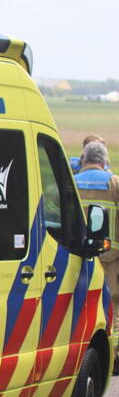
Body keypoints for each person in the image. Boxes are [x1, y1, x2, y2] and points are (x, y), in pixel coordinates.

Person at [75, 141, 119, 329]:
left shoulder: (70, 181)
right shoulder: (114, 183)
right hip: (111, 258)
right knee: (113, 307)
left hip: (76, 257)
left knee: (81, 306)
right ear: (105, 161)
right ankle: (114, 350)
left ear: (84, 159)